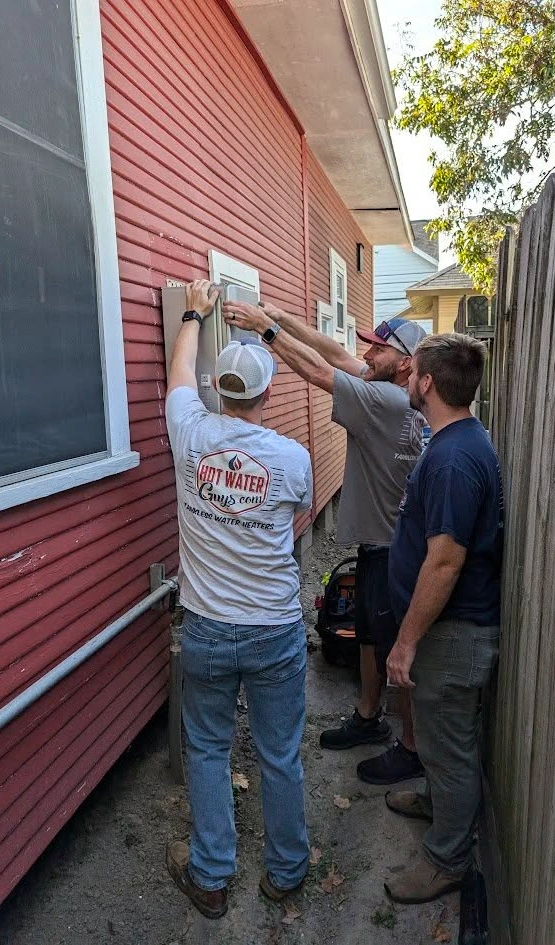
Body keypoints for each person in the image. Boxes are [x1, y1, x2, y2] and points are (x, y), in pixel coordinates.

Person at [222, 298, 426, 785]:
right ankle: (368, 716)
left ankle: (412, 747)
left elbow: (319, 371)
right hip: (382, 542)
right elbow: (335, 354)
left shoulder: (384, 402)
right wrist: (282, 318)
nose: (366, 353)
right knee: (369, 635)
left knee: (395, 647)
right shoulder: (392, 390)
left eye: (378, 349)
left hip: (392, 548)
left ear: (405, 364)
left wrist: (265, 330)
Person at [164, 281, 313, 919]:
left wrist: (194, 312)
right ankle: (286, 872)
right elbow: (297, 517)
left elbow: (177, 376)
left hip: (206, 627)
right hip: (274, 627)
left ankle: (211, 874)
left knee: (207, 747)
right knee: (279, 753)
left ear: (219, 390)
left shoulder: (189, 432)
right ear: (266, 393)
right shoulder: (293, 458)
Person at [383, 333, 504, 905]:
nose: (407, 380)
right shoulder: (455, 442)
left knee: (451, 750)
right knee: (436, 739)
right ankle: (437, 804)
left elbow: (446, 560)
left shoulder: (454, 459)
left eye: (412, 373)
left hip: (452, 635)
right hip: (447, 630)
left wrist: (405, 642)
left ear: (427, 382)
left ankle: (447, 860)